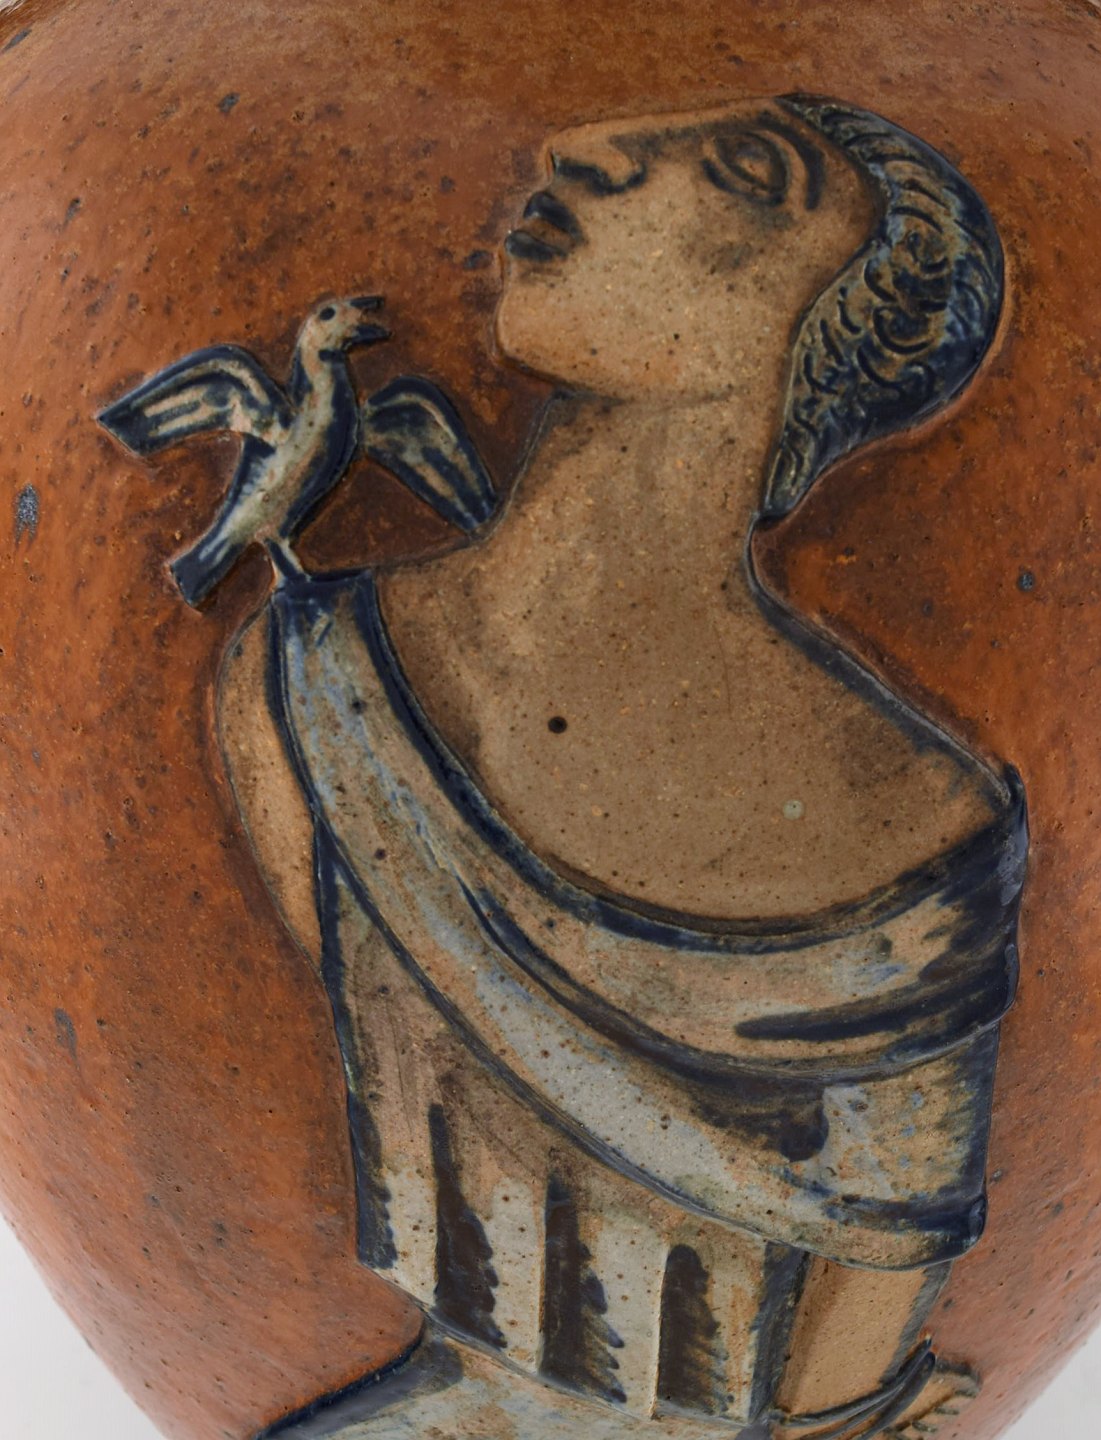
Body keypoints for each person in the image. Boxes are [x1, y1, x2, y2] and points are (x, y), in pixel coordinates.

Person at [187, 98, 1026, 1439]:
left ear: (820, 331)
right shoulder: (305, 683)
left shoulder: (924, 825)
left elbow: (867, 1308)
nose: (580, 147)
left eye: (743, 175)